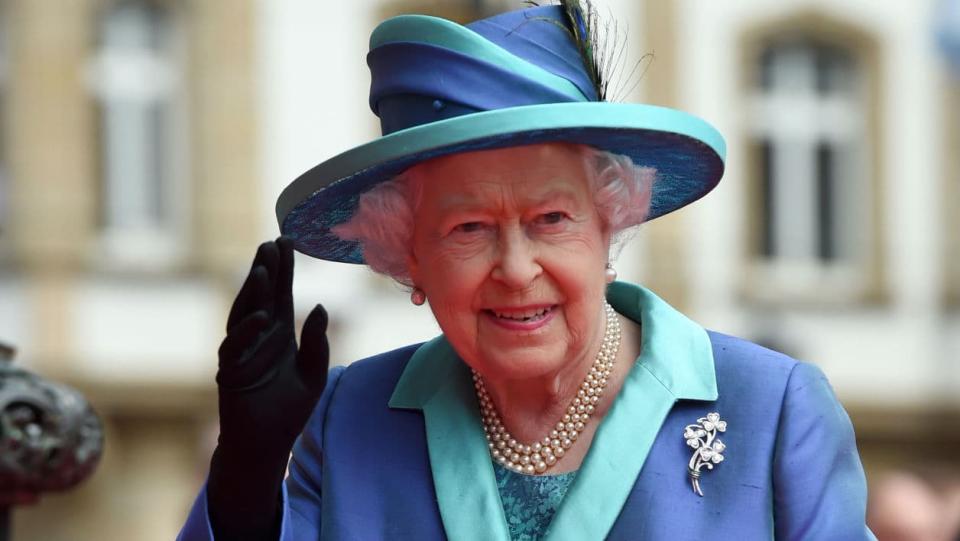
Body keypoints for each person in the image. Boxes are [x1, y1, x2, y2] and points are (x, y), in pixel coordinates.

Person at [179, 3, 876, 540]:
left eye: (551, 219)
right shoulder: (348, 419)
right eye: (468, 228)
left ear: (610, 225)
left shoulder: (773, 409)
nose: (515, 269)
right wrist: (245, 480)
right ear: (408, 258)